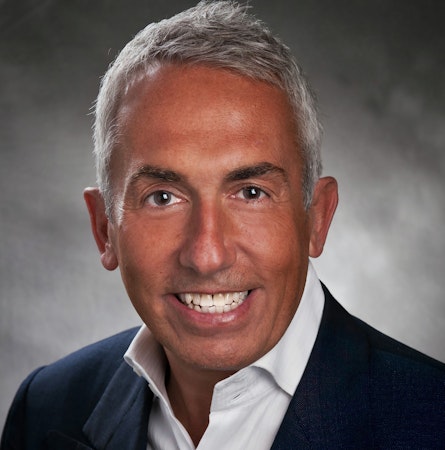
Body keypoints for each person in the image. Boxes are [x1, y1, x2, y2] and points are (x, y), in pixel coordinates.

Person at [1, 1, 444, 449]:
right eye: (162, 197)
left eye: (251, 193)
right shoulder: (46, 409)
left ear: (317, 217)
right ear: (104, 228)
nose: (207, 255)